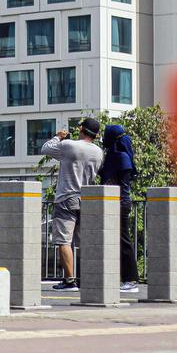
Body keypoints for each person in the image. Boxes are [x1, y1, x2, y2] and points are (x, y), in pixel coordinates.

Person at [40, 117, 104, 291]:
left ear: (82, 129)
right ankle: (87, 278)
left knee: (64, 241)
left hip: (67, 198)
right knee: (85, 242)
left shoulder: (70, 145)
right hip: (87, 198)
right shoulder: (98, 152)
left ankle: (69, 281)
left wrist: (58, 136)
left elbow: (45, 148)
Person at [100, 124, 140, 292]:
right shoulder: (116, 155)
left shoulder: (120, 157)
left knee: (124, 241)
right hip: (115, 202)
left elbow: (119, 183)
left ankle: (130, 279)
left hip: (120, 203)